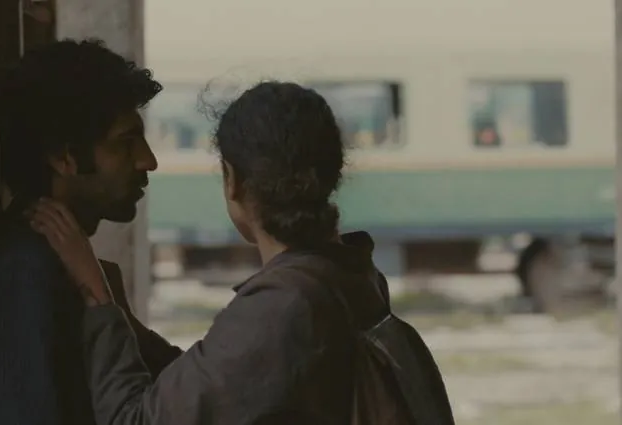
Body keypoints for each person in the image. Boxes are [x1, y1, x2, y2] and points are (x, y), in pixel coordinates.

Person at [28, 81, 390, 424]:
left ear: (233, 181)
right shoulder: (351, 273)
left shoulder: (284, 305)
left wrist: (98, 298)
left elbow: (136, 419)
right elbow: (217, 386)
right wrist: (128, 328)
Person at [0, 39, 180, 425]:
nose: (148, 160)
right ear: (63, 157)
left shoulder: (59, 262)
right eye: (125, 143)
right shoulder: (23, 271)